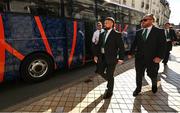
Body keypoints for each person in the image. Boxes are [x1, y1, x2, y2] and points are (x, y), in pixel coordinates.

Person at [128, 14, 166, 96]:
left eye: (145, 20)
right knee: (138, 74)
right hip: (139, 58)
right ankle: (138, 89)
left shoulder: (159, 31)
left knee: (152, 74)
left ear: (152, 20)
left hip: (152, 58)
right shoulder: (139, 32)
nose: (143, 22)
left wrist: (159, 57)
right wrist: (130, 53)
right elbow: (135, 44)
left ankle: (154, 84)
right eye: (142, 20)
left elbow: (162, 46)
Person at [93, 17, 125, 99]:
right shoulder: (102, 33)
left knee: (109, 75)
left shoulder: (117, 34)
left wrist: (121, 58)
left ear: (112, 24)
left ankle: (109, 92)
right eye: (105, 22)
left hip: (112, 58)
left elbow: (121, 47)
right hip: (102, 57)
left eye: (107, 22)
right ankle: (110, 81)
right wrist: (96, 55)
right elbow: (98, 46)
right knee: (100, 71)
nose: (105, 24)